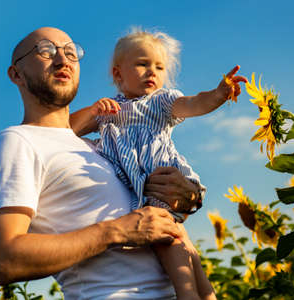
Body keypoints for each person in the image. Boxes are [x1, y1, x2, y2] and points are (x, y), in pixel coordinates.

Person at [0, 27, 216, 299]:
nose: (62, 60)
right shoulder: (18, 141)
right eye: (45, 51)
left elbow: (155, 212)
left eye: (71, 52)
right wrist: (118, 231)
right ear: (16, 74)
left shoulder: (107, 146)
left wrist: (188, 196)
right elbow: (4, 261)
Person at [70, 28, 247, 299]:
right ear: (118, 74)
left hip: (159, 177)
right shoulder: (109, 111)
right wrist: (93, 111)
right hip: (139, 183)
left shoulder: (161, 102)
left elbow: (193, 104)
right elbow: (67, 129)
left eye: (159, 66)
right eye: (142, 64)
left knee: (165, 239)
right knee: (182, 240)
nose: (152, 71)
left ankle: (186, 295)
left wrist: (218, 94)